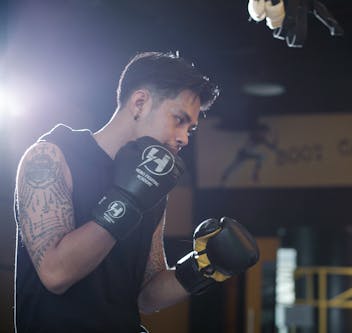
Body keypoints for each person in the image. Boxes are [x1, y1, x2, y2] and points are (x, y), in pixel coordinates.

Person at [14, 51, 259, 333]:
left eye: (190, 128)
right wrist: (127, 200)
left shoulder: (154, 183)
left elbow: (146, 295)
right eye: (178, 119)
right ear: (140, 103)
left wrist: (203, 265)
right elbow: (56, 274)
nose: (183, 137)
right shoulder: (52, 156)